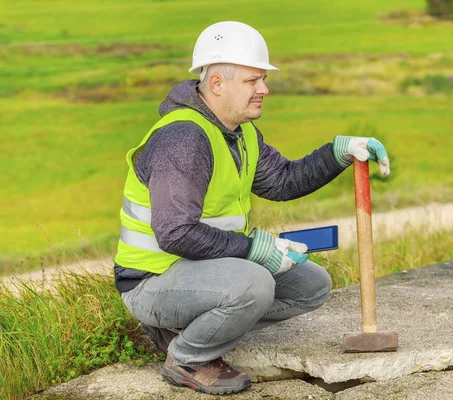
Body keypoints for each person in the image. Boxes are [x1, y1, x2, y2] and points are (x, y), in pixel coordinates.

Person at [113, 20, 391, 395]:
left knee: (311, 286)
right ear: (216, 84)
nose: (265, 89)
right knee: (255, 284)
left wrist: (337, 153)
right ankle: (187, 357)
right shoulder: (183, 139)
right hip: (152, 280)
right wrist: (255, 250)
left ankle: (193, 327)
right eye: (252, 81)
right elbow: (175, 231)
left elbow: (283, 181)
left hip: (200, 269)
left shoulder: (239, 132)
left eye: (263, 79)